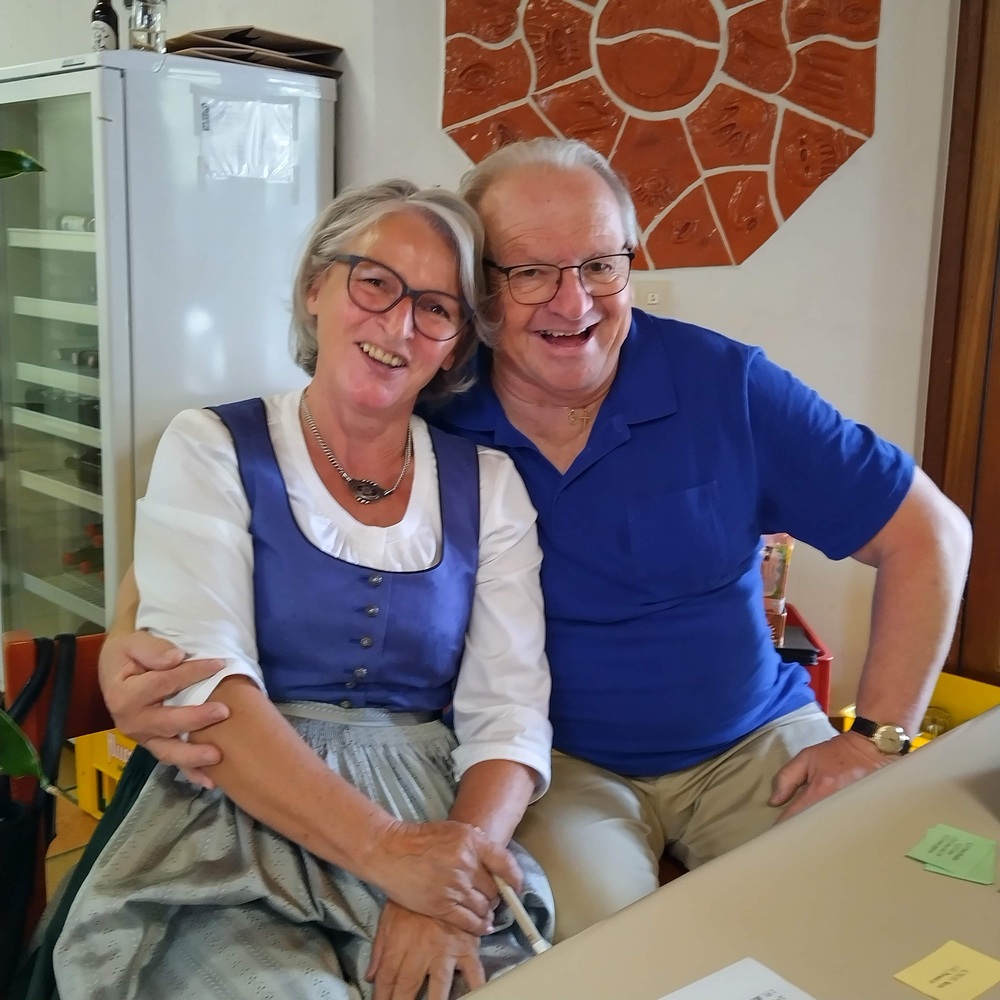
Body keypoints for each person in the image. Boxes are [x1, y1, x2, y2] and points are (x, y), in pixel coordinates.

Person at [97, 138, 971, 945]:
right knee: (586, 960)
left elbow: (930, 534)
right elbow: (257, 500)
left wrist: (875, 739)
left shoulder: (726, 385)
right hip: (556, 769)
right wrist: (123, 649)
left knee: (883, 918)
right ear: (480, 293)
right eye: (530, 272)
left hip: (753, 742)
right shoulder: (432, 398)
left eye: (600, 264)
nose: (573, 301)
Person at [50, 179, 554, 1000]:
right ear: (316, 287)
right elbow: (208, 684)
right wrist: (388, 852)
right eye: (375, 282)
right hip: (232, 809)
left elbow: (509, 715)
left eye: (435, 308)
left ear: (455, 344)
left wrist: (449, 875)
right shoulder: (212, 445)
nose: (398, 324)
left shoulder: (489, 485)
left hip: (433, 810)